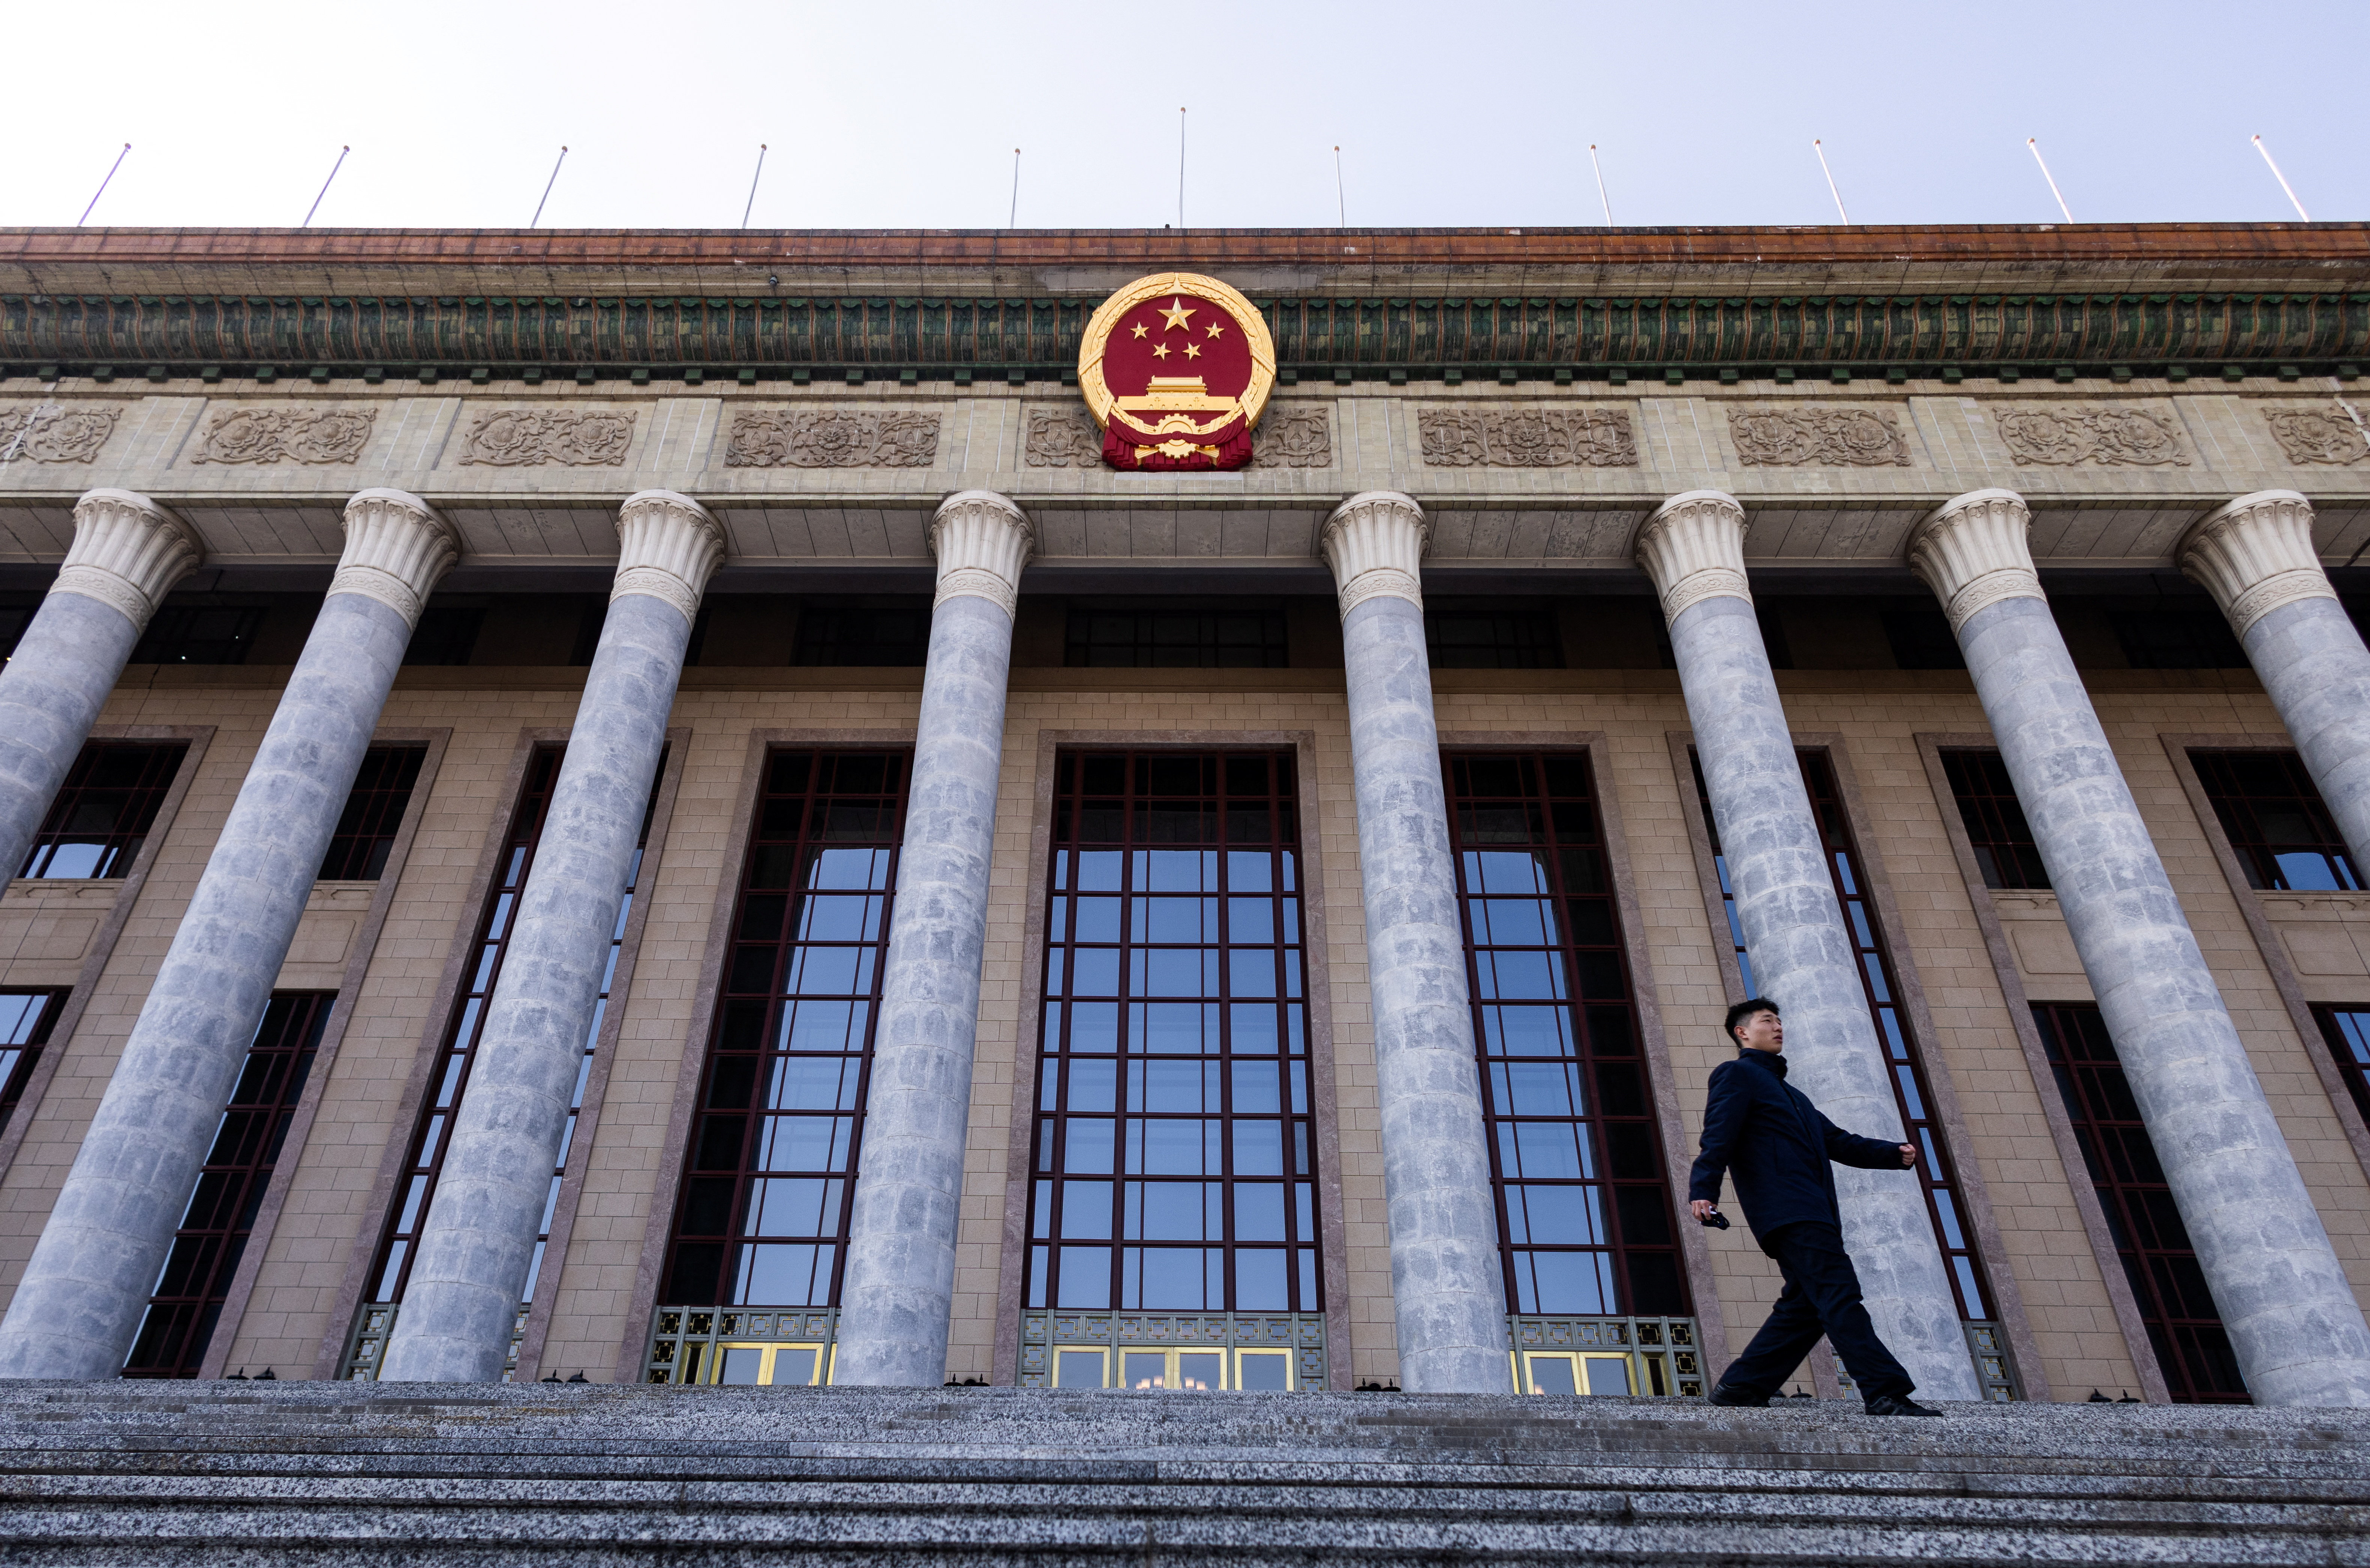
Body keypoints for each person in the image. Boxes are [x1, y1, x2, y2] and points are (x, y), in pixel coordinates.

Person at [1688, 997, 1943, 1417]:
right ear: (1742, 1032)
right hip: (1788, 1210)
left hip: (1812, 1210)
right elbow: (1717, 1135)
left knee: (1806, 1306)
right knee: (1839, 1292)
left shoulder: (1794, 1096)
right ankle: (1884, 1391)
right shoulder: (1736, 1074)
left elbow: (1839, 1141)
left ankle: (1741, 1387)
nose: (1778, 1027)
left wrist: (1893, 1153)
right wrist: (1704, 1190)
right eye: (1768, 1021)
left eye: (1780, 1021)